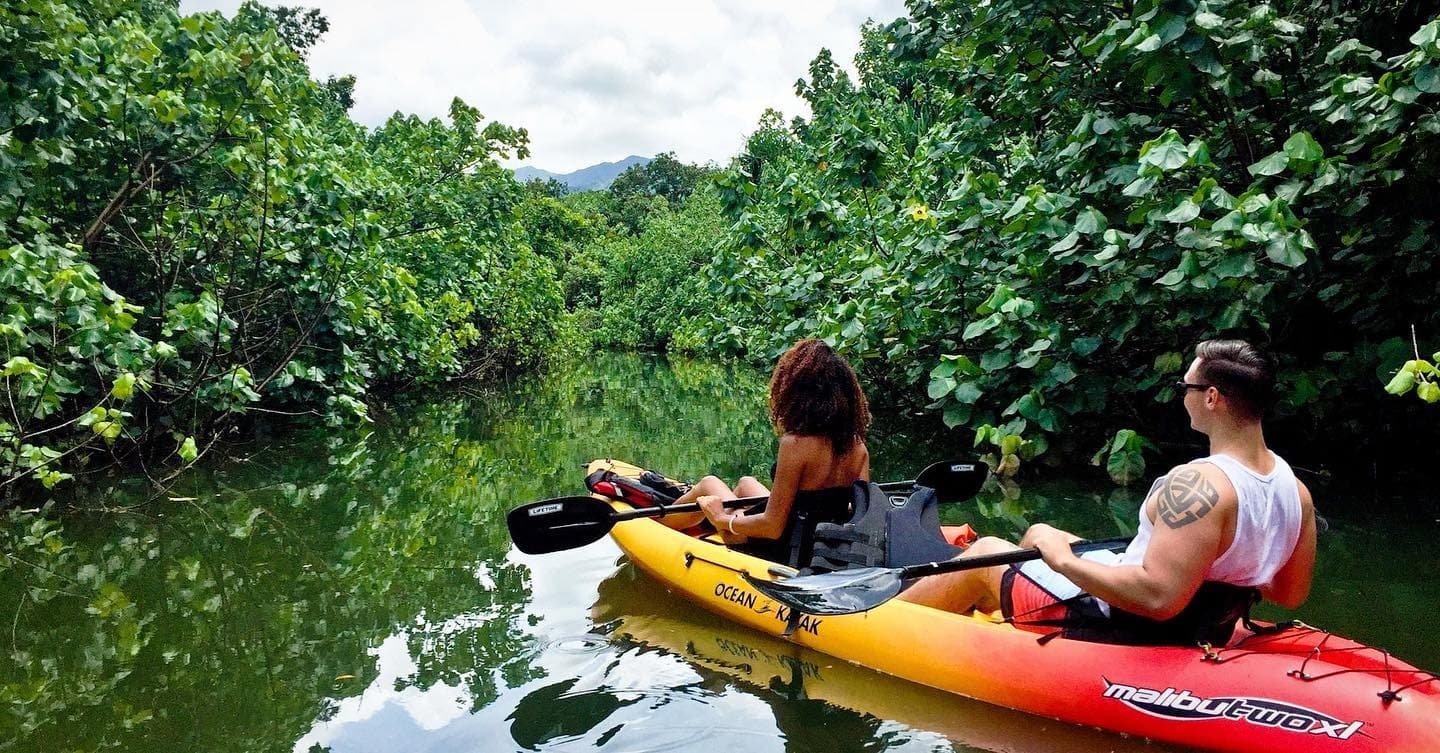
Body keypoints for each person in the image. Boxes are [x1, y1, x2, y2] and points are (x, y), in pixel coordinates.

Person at [900, 339, 1318, 645]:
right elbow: (1288, 593)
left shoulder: (1199, 485)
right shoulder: (1295, 491)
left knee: (984, 552)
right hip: (1206, 624)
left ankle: (879, 625)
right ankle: (1004, 620)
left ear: (1211, 398)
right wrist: (1226, 565)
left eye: (1184, 388)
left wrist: (1063, 562)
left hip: (1126, 624)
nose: (1181, 398)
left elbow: (1159, 599)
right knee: (1042, 533)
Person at [668, 339, 871, 566]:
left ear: (798, 391)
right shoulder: (858, 447)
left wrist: (723, 519)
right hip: (819, 546)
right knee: (746, 483)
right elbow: (861, 517)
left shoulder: (795, 444)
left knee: (708, 483)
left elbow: (773, 527)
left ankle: (657, 527)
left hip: (784, 550)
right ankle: (721, 524)